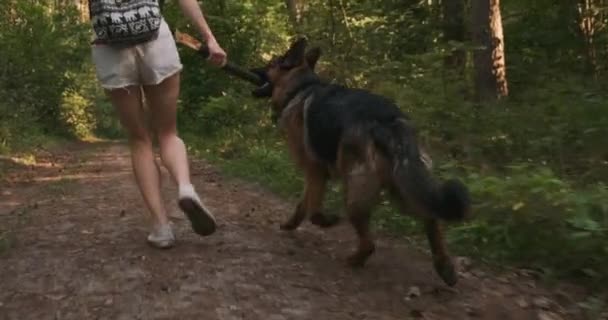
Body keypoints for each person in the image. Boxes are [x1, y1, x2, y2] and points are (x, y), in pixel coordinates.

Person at [88, 0, 227, 248]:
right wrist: (209, 38)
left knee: (140, 139)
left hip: (109, 47)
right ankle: (185, 187)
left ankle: (161, 227)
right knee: (168, 132)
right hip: (155, 41)